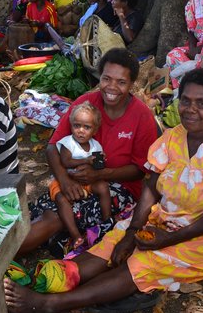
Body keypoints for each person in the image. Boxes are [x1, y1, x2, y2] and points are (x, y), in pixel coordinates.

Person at [4, 68, 203, 313]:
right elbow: (151, 188)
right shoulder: (173, 138)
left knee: (144, 261)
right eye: (185, 100)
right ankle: (38, 283)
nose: (190, 109)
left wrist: (168, 239)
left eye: (201, 103)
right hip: (169, 219)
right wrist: (131, 232)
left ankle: (48, 305)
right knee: (112, 243)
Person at [19, 48, 159, 257]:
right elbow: (52, 147)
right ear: (99, 77)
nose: (112, 87)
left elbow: (139, 171)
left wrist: (99, 175)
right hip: (75, 179)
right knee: (38, 210)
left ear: (132, 85)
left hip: (119, 188)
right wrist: (65, 181)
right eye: (106, 79)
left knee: (55, 217)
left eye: (121, 82)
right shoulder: (85, 104)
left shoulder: (142, 117)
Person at [50, 102, 111, 248]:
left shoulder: (96, 146)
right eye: (77, 126)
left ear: (95, 130)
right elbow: (66, 162)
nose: (81, 131)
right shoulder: (68, 142)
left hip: (85, 182)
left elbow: (97, 169)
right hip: (64, 181)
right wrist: (87, 160)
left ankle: (107, 220)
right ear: (71, 125)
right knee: (61, 200)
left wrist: (100, 162)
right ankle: (75, 235)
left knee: (103, 186)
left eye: (87, 127)